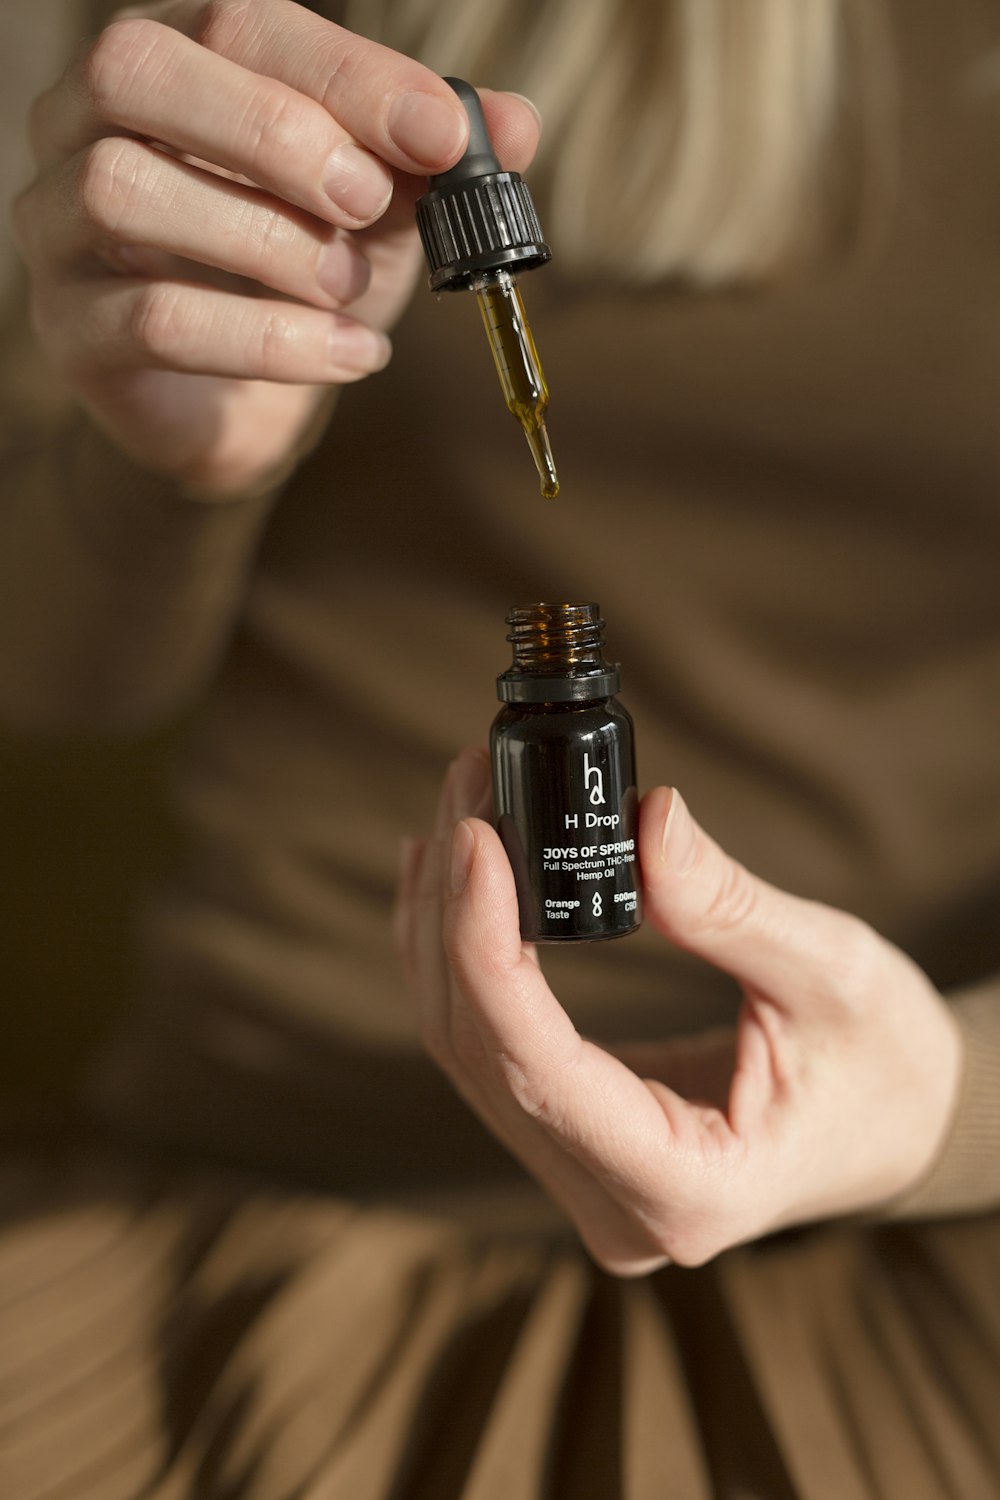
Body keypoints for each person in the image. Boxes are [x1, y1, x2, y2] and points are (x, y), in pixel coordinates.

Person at [2, 0, 1000, 1494]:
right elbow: (48, 677)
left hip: (928, 1226)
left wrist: (944, 1101)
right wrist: (162, 469)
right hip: (255, 1208)